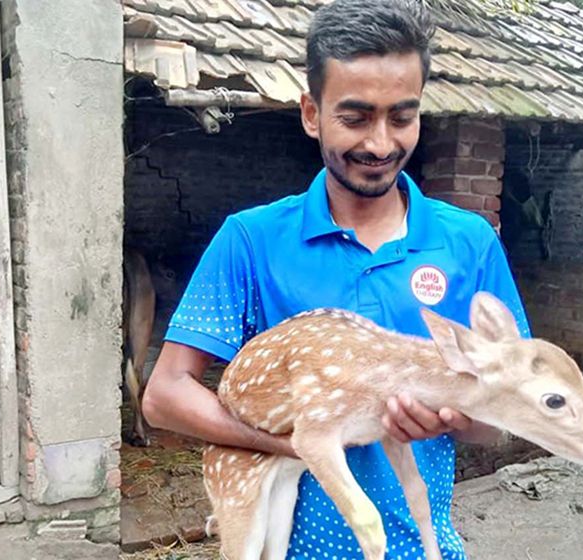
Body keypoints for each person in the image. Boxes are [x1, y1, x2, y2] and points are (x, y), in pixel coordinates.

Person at [142, 0, 531, 557]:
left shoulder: (468, 242)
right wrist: (301, 440)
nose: (379, 144)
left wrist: (457, 415)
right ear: (310, 113)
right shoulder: (251, 240)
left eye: (401, 117)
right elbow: (166, 396)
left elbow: (501, 419)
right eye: (355, 118)